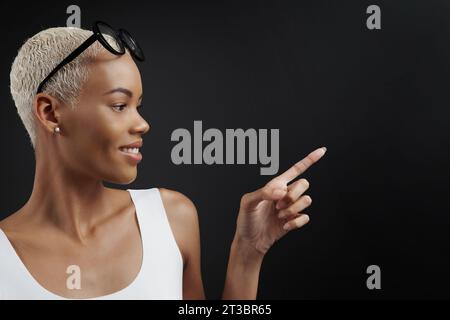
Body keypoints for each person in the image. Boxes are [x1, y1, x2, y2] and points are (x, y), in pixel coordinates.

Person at [0, 21, 327, 300]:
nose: (142, 124)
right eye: (119, 105)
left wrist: (247, 253)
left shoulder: (171, 218)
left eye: (138, 105)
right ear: (49, 112)